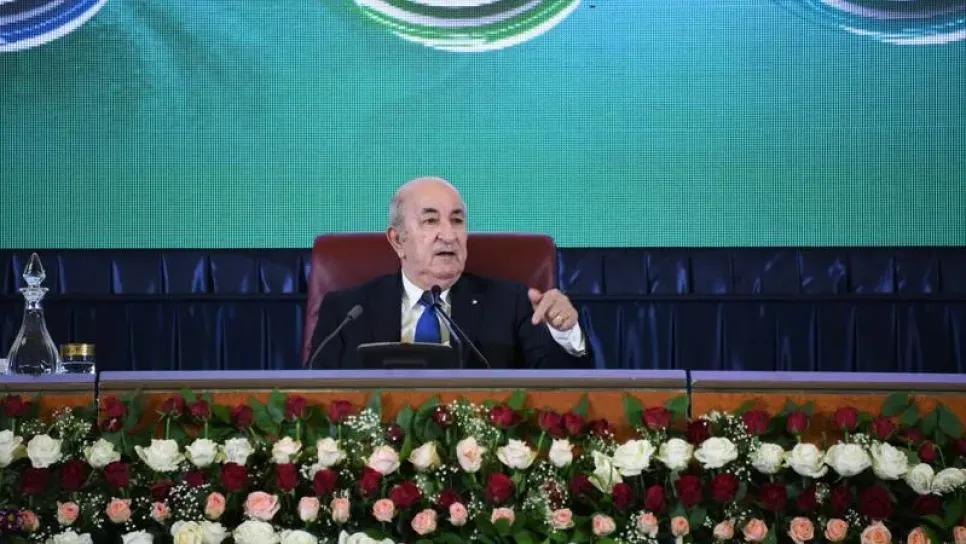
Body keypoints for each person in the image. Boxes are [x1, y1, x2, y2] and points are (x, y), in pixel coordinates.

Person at [307, 176, 594, 369]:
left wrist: (566, 333)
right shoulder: (346, 312)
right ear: (397, 240)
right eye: (430, 221)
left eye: (457, 221)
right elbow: (313, 397)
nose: (449, 235)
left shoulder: (511, 303)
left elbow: (559, 392)